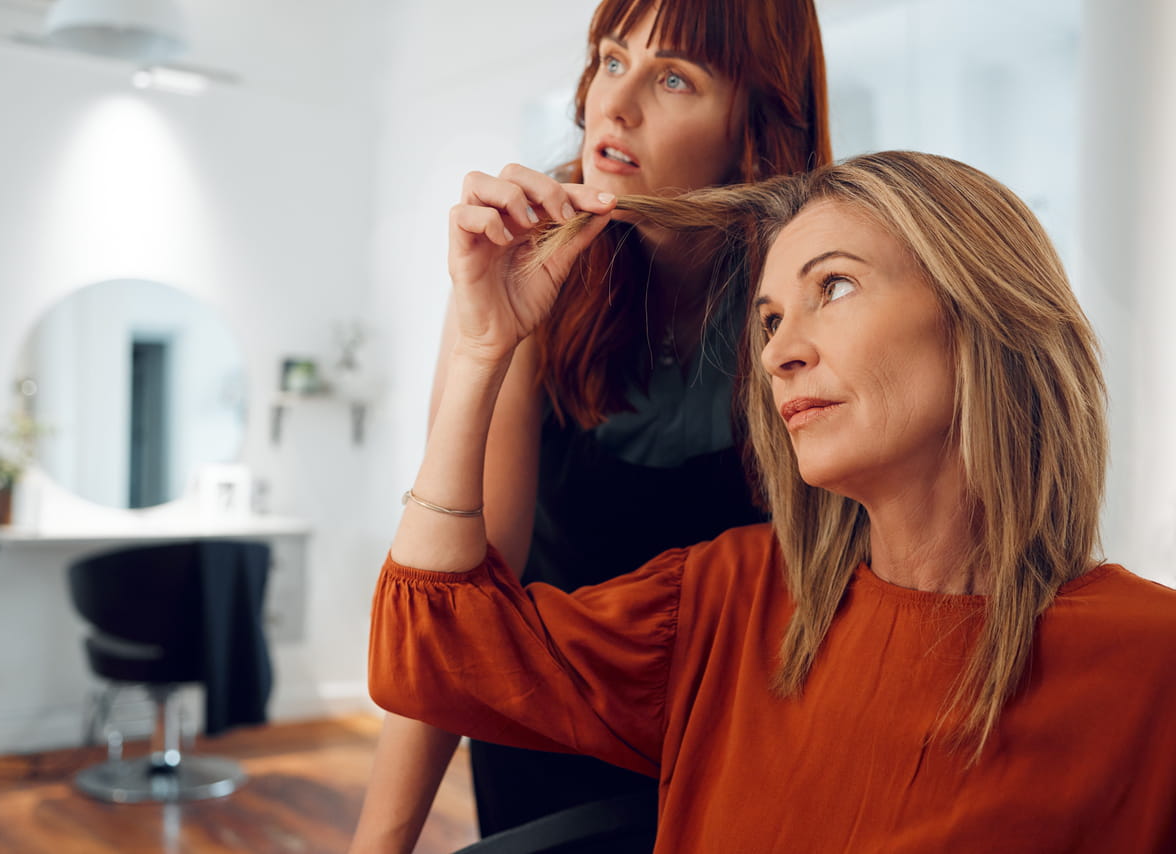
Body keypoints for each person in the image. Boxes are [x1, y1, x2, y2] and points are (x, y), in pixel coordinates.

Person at [368, 150, 1176, 852]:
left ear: (980, 312)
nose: (781, 352)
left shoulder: (1152, 666)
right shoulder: (728, 604)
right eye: (769, 319)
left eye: (835, 285)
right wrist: (482, 349)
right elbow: (429, 655)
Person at [350, 0, 829, 850]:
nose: (616, 103)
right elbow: (457, 601)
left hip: (743, 747)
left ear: (756, 125)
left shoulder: (810, 297)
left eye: (674, 77)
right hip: (539, 734)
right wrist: (377, 846)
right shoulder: (533, 262)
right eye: (612, 60)